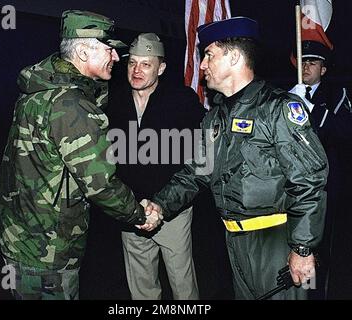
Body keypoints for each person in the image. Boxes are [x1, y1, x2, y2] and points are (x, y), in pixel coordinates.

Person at [146, 17, 329, 300]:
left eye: (208, 55)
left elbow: (309, 180)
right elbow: (196, 172)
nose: (203, 65)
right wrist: (159, 205)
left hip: (275, 242)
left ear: (233, 57)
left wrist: (302, 249)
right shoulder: (215, 117)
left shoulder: (276, 108)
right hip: (233, 242)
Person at [0, 10, 162, 300]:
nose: (115, 57)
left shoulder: (40, 90)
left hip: (19, 237)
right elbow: (100, 184)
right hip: (47, 251)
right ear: (84, 51)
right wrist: (138, 214)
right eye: (109, 49)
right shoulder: (72, 106)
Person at [106, 33, 204, 300]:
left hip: (171, 211)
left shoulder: (182, 101)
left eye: (145, 64)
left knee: (183, 287)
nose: (136, 70)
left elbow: (201, 156)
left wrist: (163, 204)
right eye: (132, 63)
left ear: (160, 68)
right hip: (130, 208)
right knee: (142, 288)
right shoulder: (112, 100)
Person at [290, 40, 352, 299]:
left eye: (312, 62)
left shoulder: (336, 94)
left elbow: (343, 132)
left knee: (318, 247)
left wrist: (311, 109)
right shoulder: (288, 93)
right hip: (292, 184)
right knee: (293, 245)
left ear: (323, 70)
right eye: (303, 60)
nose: (306, 66)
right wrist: (291, 102)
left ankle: (315, 295)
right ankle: (298, 292)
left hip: (325, 187)